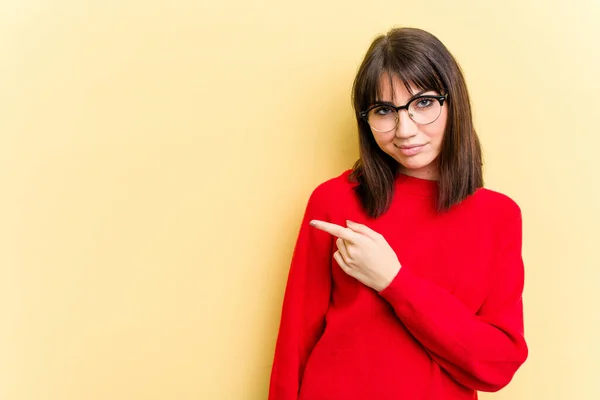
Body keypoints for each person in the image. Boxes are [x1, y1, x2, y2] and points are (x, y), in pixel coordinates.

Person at [268, 27, 528, 400]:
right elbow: (294, 344)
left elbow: (497, 364)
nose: (405, 130)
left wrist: (393, 280)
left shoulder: (498, 216)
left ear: (453, 102)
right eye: (385, 110)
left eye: (423, 103)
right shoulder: (335, 201)